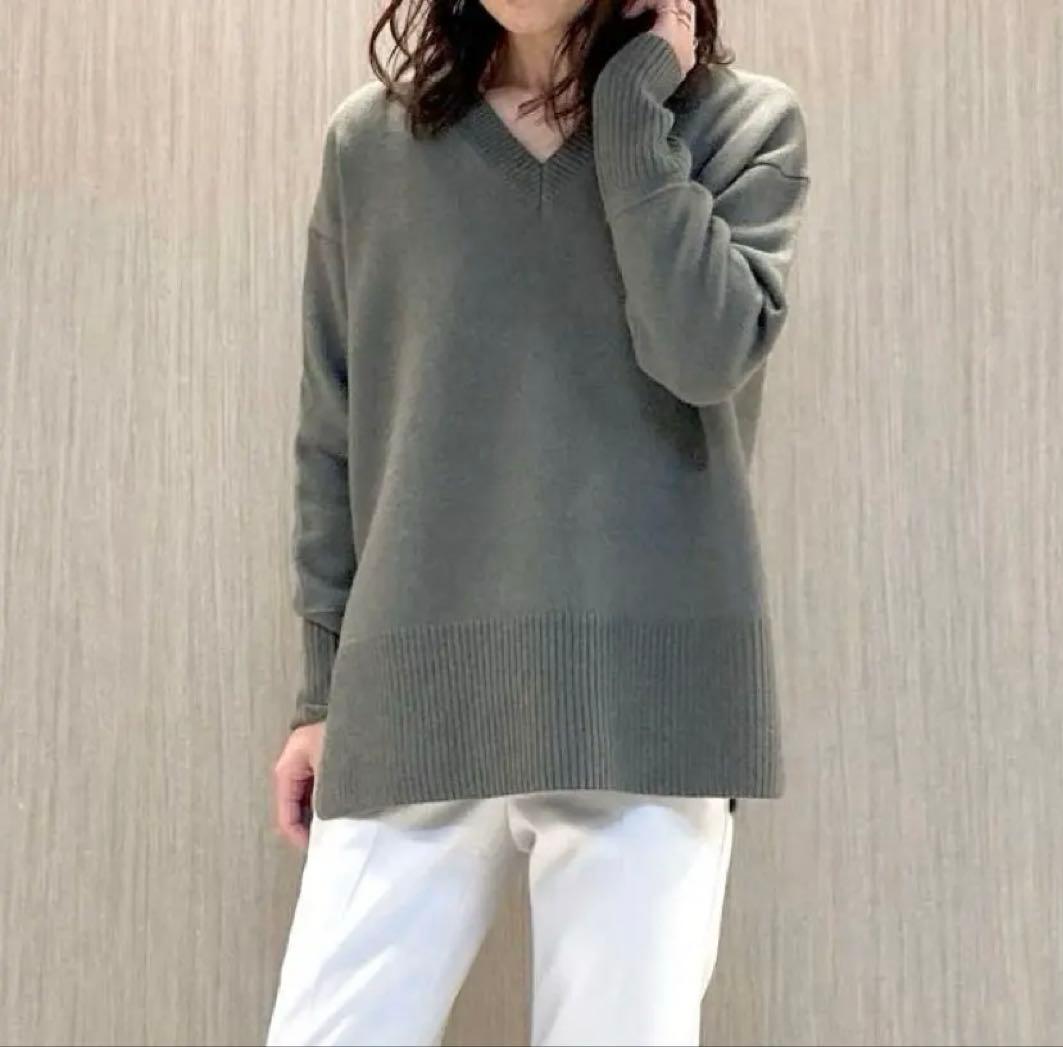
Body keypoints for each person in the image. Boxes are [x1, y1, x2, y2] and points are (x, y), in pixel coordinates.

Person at [265, 0, 811, 1041]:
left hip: (644, 705)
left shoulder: (740, 126)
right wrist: (321, 692)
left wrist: (632, 110)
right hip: (411, 688)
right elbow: (334, 428)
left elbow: (702, 354)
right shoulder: (372, 147)